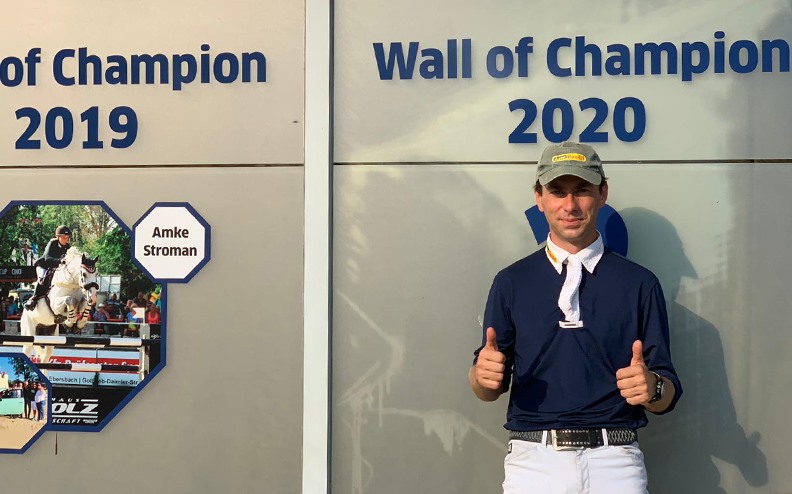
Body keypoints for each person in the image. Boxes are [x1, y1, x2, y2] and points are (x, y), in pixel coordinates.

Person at [469, 141, 682, 493]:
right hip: (533, 460)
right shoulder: (510, 282)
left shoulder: (640, 283)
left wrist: (653, 387)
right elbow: (487, 387)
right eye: (557, 192)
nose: (570, 205)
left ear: (603, 193)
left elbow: (667, 393)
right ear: (539, 198)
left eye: (582, 190)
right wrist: (480, 375)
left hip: (616, 459)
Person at [24, 225, 72, 311]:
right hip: (43, 266)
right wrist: (61, 260)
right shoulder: (52, 243)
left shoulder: (67, 247)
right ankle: (33, 299)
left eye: (67, 237)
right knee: (43, 279)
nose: (66, 239)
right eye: (64, 237)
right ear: (58, 237)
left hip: (55, 268)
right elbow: (47, 258)